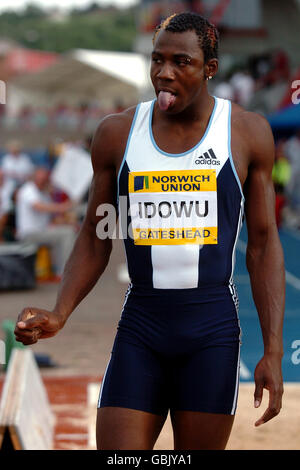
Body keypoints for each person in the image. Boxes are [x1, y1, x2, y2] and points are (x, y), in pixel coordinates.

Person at [14, 12, 285, 450]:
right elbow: (96, 233)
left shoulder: (245, 133)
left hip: (211, 332)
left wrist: (271, 349)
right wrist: (61, 311)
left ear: (209, 69)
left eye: (181, 62)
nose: (164, 73)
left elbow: (264, 245)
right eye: (157, 60)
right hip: (142, 324)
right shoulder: (118, 133)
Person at [15, 167, 76, 276]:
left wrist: (68, 222)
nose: (44, 181)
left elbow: (51, 217)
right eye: (42, 179)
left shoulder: (44, 193)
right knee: (67, 234)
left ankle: (59, 270)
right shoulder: (28, 190)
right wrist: (62, 207)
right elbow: (39, 207)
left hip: (41, 231)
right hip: (30, 233)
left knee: (67, 231)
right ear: (35, 178)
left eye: (45, 179)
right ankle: (66, 272)